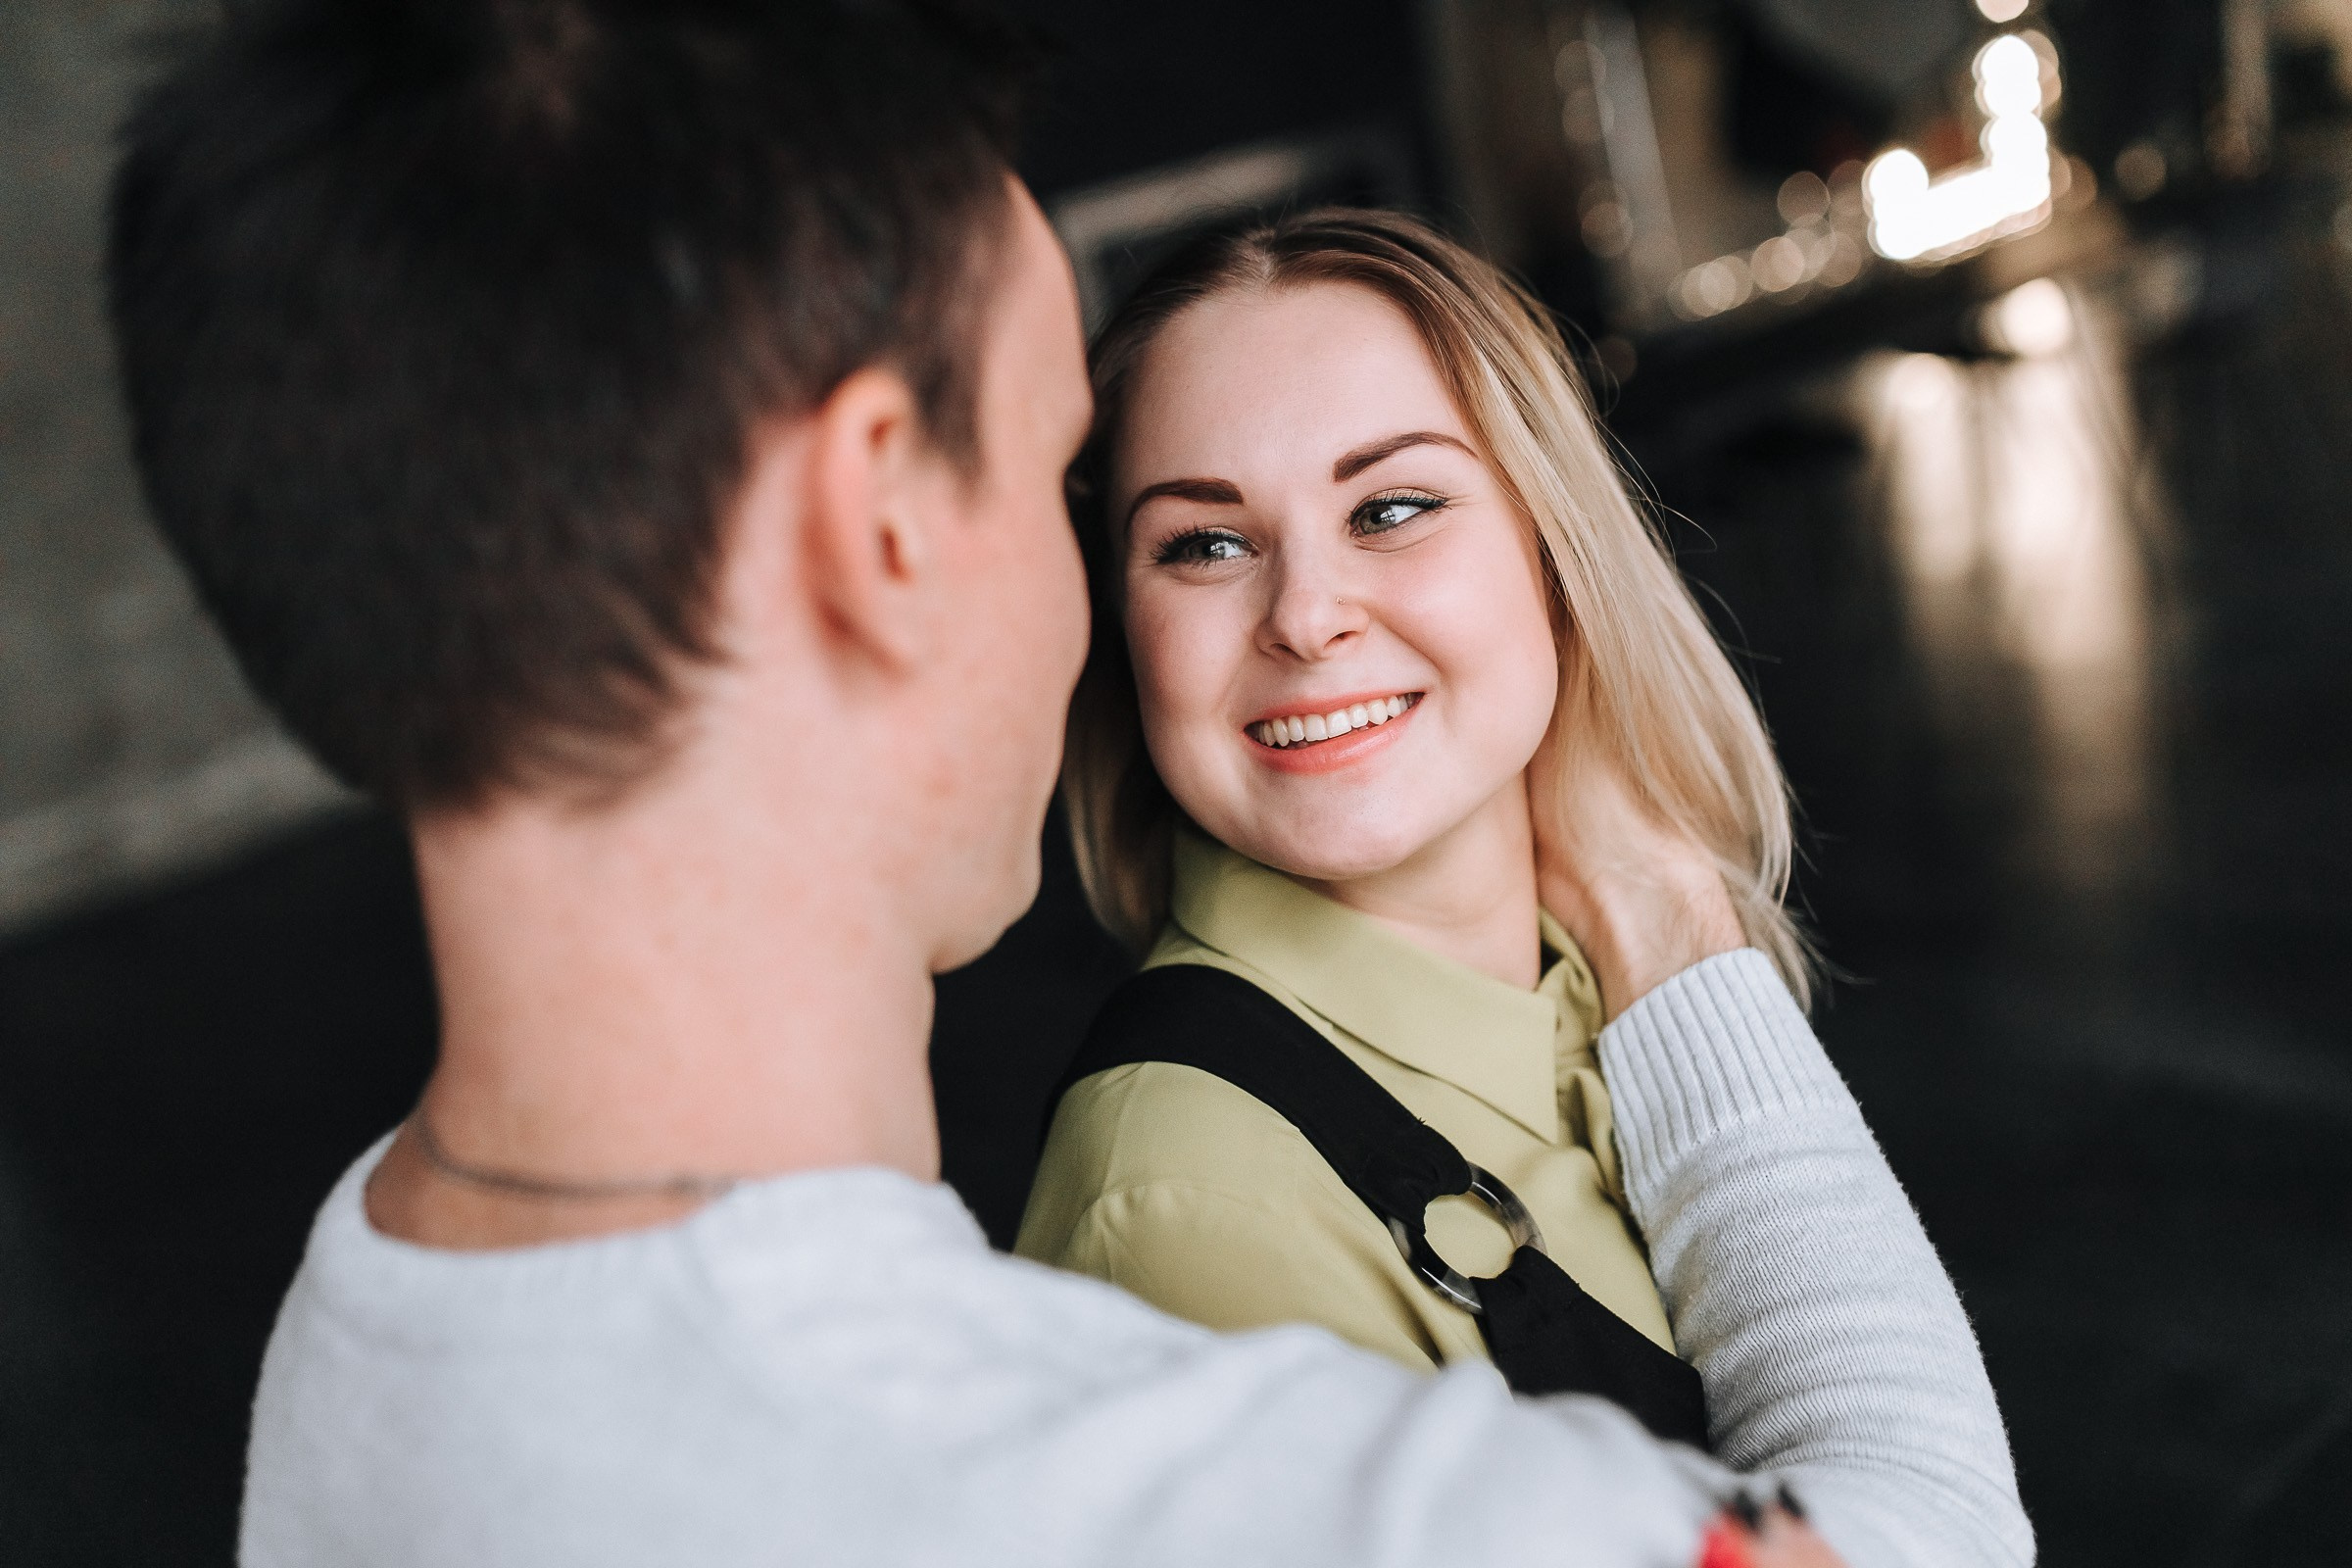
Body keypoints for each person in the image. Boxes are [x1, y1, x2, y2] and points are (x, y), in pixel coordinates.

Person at [105, 1, 1948, 1564]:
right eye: (1065, 469)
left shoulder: (360, 1338)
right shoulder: (1335, 1509)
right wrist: (1687, 954)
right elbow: (1920, 1523)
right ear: (880, 513)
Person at [1016, 207, 2026, 1558]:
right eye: (1204, 544)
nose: (1306, 616)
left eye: (1392, 507)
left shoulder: (1582, 978)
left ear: (1557, 554)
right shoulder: (1191, 1212)